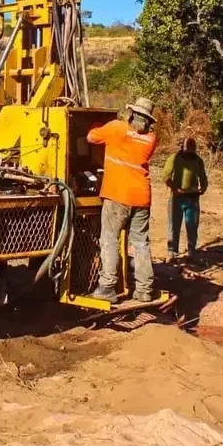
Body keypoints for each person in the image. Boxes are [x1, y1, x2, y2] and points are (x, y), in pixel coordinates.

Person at [86, 97, 158, 303]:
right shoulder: (151, 139)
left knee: (109, 239)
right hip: (142, 196)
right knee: (141, 242)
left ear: (132, 114)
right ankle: (144, 290)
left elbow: (91, 138)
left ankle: (107, 286)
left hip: (117, 195)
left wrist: (96, 124)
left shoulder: (116, 128)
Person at [162, 137, 207, 259]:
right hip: (177, 198)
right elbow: (166, 176)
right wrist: (174, 188)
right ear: (182, 149)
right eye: (187, 152)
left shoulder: (198, 161)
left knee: (192, 226)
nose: (189, 155)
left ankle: (192, 251)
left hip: (192, 198)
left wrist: (202, 189)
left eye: (192, 153)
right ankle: (172, 251)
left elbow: (203, 178)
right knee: (174, 226)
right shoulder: (174, 159)